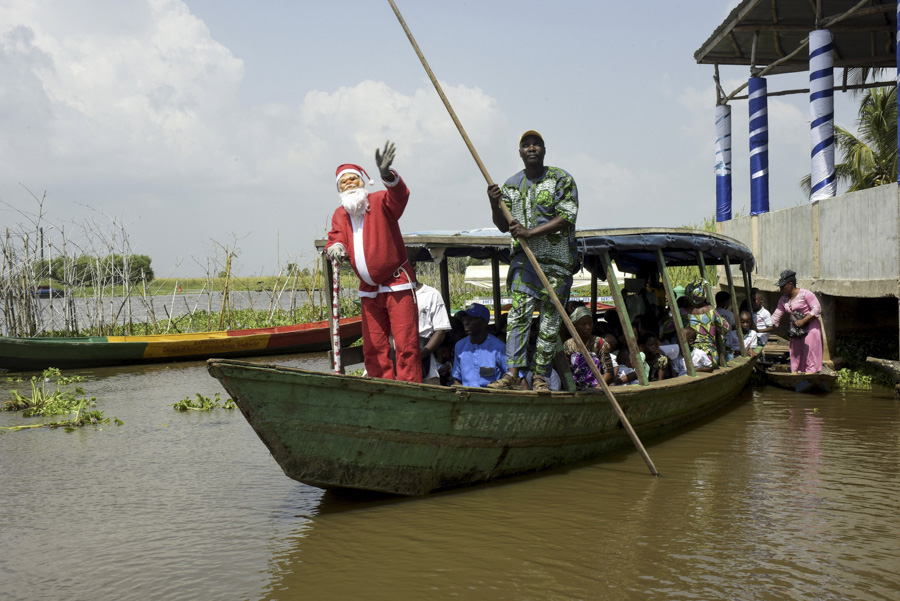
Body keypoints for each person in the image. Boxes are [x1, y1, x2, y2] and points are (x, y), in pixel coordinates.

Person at [486, 130, 578, 392]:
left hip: (557, 261)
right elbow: (503, 226)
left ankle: (540, 376)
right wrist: (494, 203)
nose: (532, 148)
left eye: (536, 144)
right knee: (519, 314)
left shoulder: (561, 179)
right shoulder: (512, 185)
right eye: (526, 145)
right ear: (520, 153)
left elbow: (566, 216)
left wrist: (529, 232)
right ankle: (513, 372)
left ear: (544, 150)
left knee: (550, 321)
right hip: (525, 260)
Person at [325, 141, 422, 382]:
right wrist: (335, 247)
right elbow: (334, 237)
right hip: (369, 291)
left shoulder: (379, 200)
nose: (349, 184)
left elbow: (400, 196)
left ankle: (411, 389)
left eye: (353, 180)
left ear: (362, 182)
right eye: (343, 182)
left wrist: (386, 174)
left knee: (405, 344)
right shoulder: (340, 214)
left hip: (396, 283)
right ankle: (381, 386)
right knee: (374, 346)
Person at [771, 270, 824, 373]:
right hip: (796, 329)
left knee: (809, 351)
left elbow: (817, 309)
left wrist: (803, 321)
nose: (780, 289)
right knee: (796, 352)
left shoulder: (806, 294)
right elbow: (776, 315)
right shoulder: (783, 299)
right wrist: (763, 327)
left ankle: (811, 373)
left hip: (810, 327)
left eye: (783, 286)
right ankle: (797, 374)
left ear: (791, 284)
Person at [451, 303, 507, 387]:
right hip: (467, 397)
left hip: (491, 397)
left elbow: (514, 375)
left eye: (471, 319)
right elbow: (457, 379)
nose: (466, 322)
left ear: (483, 322)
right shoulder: (460, 346)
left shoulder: (498, 347)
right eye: (464, 319)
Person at [562, 305, 615, 389]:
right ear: (574, 326)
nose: (588, 327)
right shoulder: (568, 345)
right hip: (576, 387)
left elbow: (608, 371)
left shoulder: (600, 343)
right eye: (583, 324)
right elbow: (566, 370)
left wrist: (599, 387)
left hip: (597, 386)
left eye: (590, 323)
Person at [682, 279, 729, 365]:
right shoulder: (711, 311)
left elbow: (664, 330)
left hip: (690, 357)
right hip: (710, 356)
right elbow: (725, 328)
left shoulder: (682, 312)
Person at [414, 281, 451, 384]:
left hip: (424, 359)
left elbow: (441, 330)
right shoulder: (386, 291)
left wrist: (419, 357)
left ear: (413, 264)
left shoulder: (431, 294)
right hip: (394, 357)